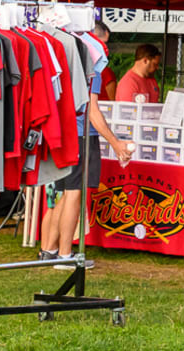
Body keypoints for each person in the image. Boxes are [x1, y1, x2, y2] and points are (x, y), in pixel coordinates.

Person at [41, 34, 135, 261]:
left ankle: (49, 250)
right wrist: (115, 142)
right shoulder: (91, 57)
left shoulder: (59, 46)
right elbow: (92, 110)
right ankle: (64, 254)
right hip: (80, 134)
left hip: (60, 131)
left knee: (61, 195)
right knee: (74, 193)